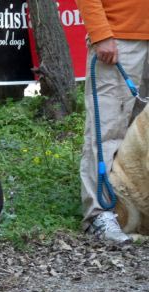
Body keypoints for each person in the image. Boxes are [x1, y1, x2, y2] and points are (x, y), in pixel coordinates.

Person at [77, 0, 148, 243]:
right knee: (107, 129)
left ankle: (139, 214)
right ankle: (100, 213)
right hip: (120, 37)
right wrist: (100, 33)